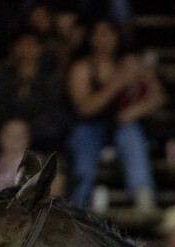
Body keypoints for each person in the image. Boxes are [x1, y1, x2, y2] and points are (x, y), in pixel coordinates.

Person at [65, 18, 164, 210]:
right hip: (90, 126)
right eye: (99, 35)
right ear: (90, 38)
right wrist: (118, 82)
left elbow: (158, 97)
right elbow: (84, 108)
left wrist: (134, 111)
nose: (105, 40)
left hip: (124, 125)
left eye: (109, 34)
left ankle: (143, 196)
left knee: (131, 134)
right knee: (83, 140)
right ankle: (78, 203)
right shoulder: (82, 67)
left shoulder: (130, 63)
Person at [0, 29, 70, 154]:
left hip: (42, 138)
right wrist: (13, 127)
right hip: (8, 135)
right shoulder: (4, 79)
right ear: (15, 48)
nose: (27, 49)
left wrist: (27, 131)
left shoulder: (52, 79)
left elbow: (55, 112)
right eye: (22, 44)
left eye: (32, 45)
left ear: (40, 48)